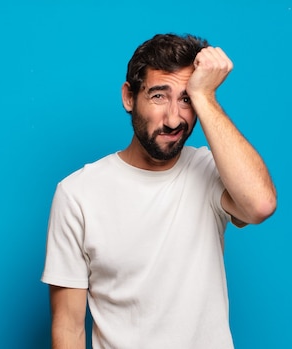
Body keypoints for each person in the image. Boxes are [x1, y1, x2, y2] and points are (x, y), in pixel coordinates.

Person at [41, 33, 277, 349]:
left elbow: (260, 205)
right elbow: (69, 330)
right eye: (158, 96)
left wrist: (205, 96)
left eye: (186, 99)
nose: (173, 119)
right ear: (129, 97)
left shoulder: (209, 171)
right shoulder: (77, 194)